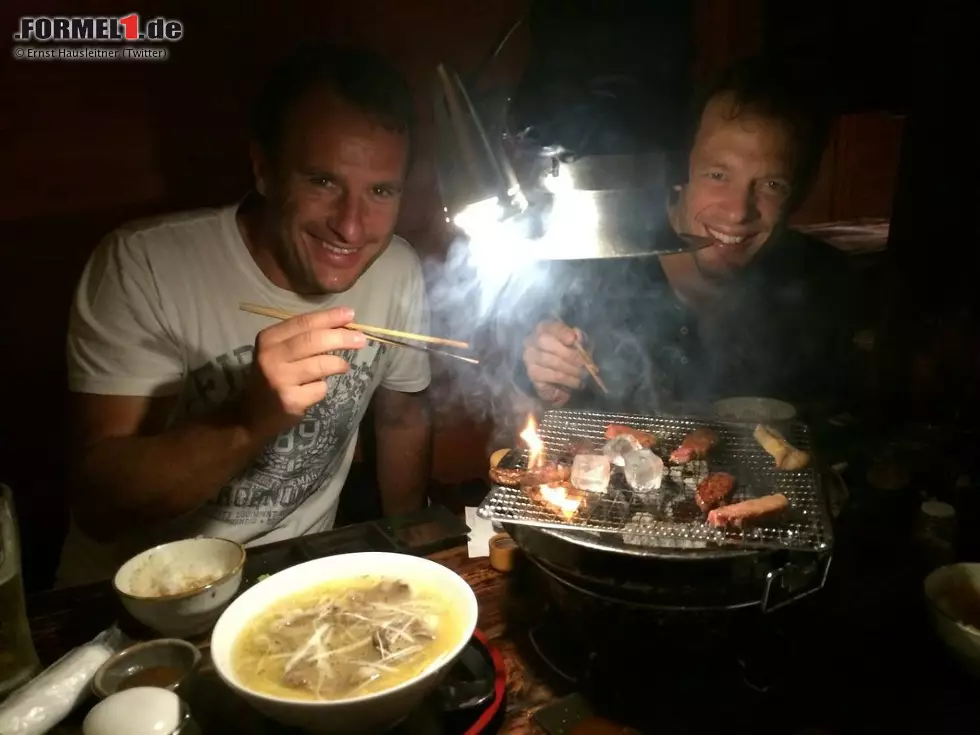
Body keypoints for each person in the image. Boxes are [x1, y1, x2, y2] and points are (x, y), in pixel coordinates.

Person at [55, 42, 433, 587]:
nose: (351, 227)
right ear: (264, 170)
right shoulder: (145, 263)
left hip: (298, 581)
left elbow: (403, 418)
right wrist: (247, 419)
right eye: (322, 181)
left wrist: (412, 562)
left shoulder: (397, 268)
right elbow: (99, 502)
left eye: (380, 190)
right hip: (137, 598)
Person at [517, 57, 858, 415]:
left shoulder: (821, 287)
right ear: (681, 170)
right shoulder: (596, 260)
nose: (738, 211)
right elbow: (521, 408)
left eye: (772, 184)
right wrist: (546, 379)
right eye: (717, 175)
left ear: (797, 195)